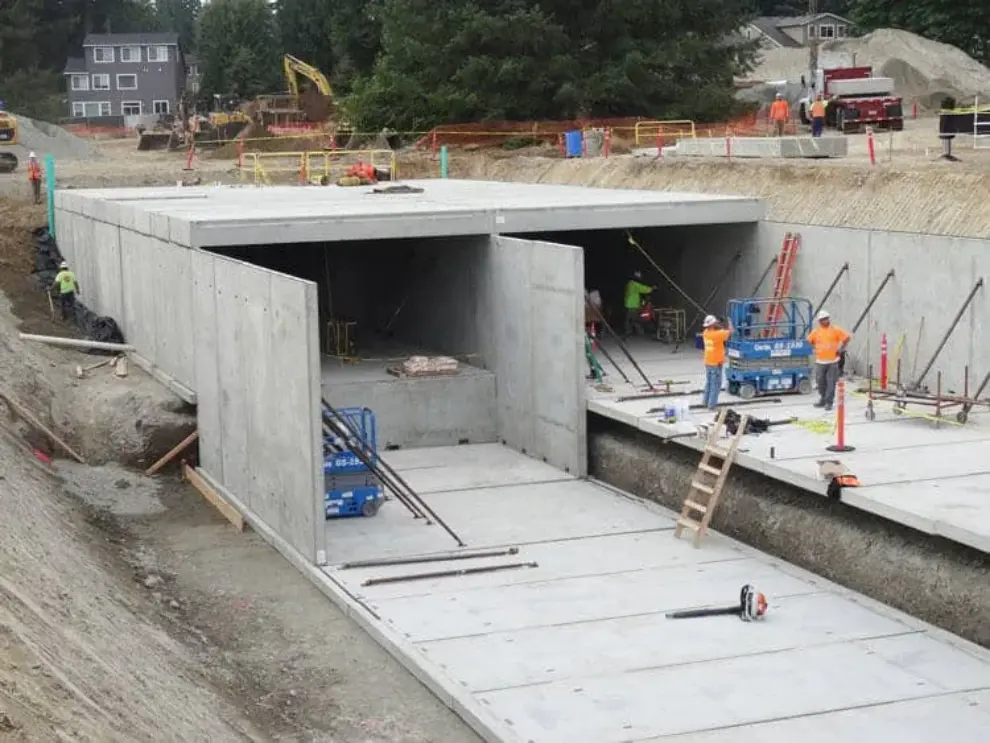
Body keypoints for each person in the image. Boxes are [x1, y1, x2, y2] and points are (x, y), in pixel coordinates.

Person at [807, 310, 850, 411]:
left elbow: (846, 338)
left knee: (831, 383)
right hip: (820, 362)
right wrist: (815, 348)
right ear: (819, 321)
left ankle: (829, 402)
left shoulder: (835, 330)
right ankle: (823, 398)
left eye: (826, 319)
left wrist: (841, 349)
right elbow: (809, 340)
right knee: (820, 382)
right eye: (822, 319)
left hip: (832, 362)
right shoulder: (816, 332)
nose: (825, 321)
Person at [701, 315, 733, 410]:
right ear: (712, 324)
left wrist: (718, 326)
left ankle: (705, 402)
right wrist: (730, 322)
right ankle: (712, 405)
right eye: (715, 322)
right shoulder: (717, 335)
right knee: (716, 384)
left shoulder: (706, 333)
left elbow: (719, 331)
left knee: (709, 383)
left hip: (708, 361)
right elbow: (731, 332)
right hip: (715, 363)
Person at [623, 271, 654, 337]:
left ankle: (629, 331)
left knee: (629, 319)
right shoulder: (634, 284)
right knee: (634, 319)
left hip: (629, 304)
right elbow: (644, 289)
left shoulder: (629, 283)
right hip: (632, 305)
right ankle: (636, 331)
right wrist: (652, 288)